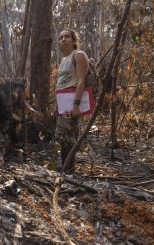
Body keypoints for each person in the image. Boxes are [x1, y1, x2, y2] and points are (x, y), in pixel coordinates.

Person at [55, 28, 89, 174]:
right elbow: (61, 83)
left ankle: (68, 171)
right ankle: (66, 168)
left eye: (67, 37)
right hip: (62, 101)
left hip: (72, 100)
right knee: (63, 136)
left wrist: (76, 105)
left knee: (67, 135)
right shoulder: (63, 60)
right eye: (61, 37)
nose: (63, 39)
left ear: (74, 40)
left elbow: (81, 81)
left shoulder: (79, 55)